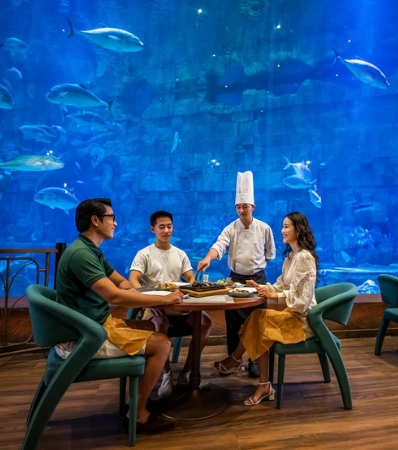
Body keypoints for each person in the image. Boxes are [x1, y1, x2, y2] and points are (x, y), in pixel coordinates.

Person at [55, 198, 184, 435]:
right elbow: (114, 296)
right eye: (111, 218)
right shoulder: (81, 255)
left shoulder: (91, 251)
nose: (115, 223)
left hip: (97, 326)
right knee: (163, 343)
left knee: (152, 327)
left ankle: (139, 398)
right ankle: (138, 414)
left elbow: (122, 283)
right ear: (95, 220)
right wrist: (163, 299)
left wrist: (137, 294)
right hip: (85, 337)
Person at [211, 212, 318, 405]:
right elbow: (279, 286)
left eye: (287, 226)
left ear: (298, 229)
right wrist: (260, 288)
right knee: (257, 317)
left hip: (303, 321)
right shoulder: (292, 257)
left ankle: (238, 362)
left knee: (259, 323)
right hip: (291, 315)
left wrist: (274, 296)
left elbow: (302, 301)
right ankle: (260, 381)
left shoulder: (305, 258)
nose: (282, 230)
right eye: (283, 226)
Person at [196, 171, 276, 378]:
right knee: (233, 324)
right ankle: (233, 360)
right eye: (238, 207)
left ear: (253, 207)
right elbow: (219, 245)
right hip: (235, 281)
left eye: (245, 206)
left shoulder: (264, 228)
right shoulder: (231, 228)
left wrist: (256, 268)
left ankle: (254, 361)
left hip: (258, 281)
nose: (241, 210)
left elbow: (270, 254)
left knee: (257, 323)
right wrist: (208, 258)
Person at [129, 210, 212, 397]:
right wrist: (148, 302)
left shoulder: (180, 253)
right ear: (153, 229)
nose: (166, 230)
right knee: (161, 322)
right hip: (156, 307)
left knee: (205, 322)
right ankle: (166, 374)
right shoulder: (144, 254)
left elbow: (191, 279)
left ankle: (187, 373)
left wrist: (195, 285)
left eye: (169, 226)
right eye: (162, 227)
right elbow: (133, 280)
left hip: (179, 306)